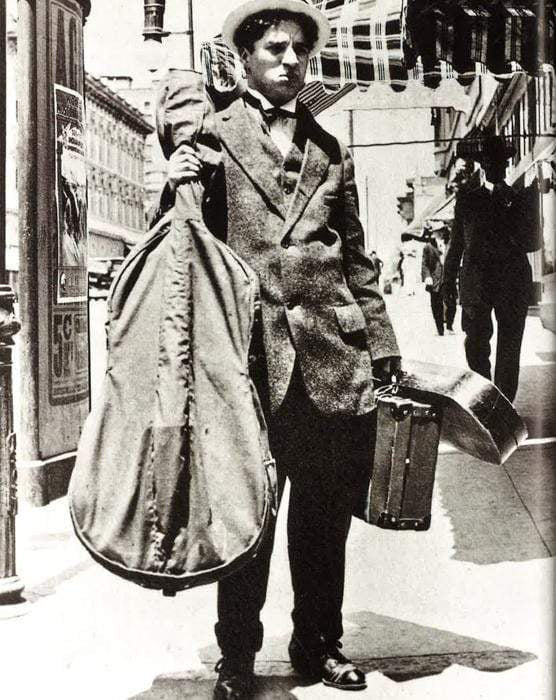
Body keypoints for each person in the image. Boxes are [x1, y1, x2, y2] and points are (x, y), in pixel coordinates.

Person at [153, 1, 400, 697]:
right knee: (248, 521)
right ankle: (237, 657)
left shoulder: (330, 148)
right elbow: (180, 240)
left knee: (323, 523)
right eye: (276, 50)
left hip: (330, 360)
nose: (292, 62)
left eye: (300, 51)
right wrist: (175, 183)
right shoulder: (214, 135)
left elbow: (356, 260)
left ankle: (319, 644)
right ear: (245, 58)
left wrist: (382, 349)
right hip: (249, 364)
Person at [444, 135, 539, 402]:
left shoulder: (519, 198)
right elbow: (456, 243)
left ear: (506, 165)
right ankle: (485, 399)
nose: (496, 167)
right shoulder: (467, 199)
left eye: (500, 162)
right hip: (477, 285)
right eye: (490, 162)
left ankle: (502, 405)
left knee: (509, 348)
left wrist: (531, 203)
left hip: (512, 284)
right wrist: (447, 281)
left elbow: (532, 242)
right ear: (482, 165)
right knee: (475, 346)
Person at [421, 232, 446, 335]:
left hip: (448, 278)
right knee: (436, 304)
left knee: (450, 302)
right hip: (435, 280)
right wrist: (427, 276)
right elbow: (424, 263)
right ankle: (440, 327)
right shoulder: (428, 246)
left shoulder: (451, 242)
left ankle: (449, 325)